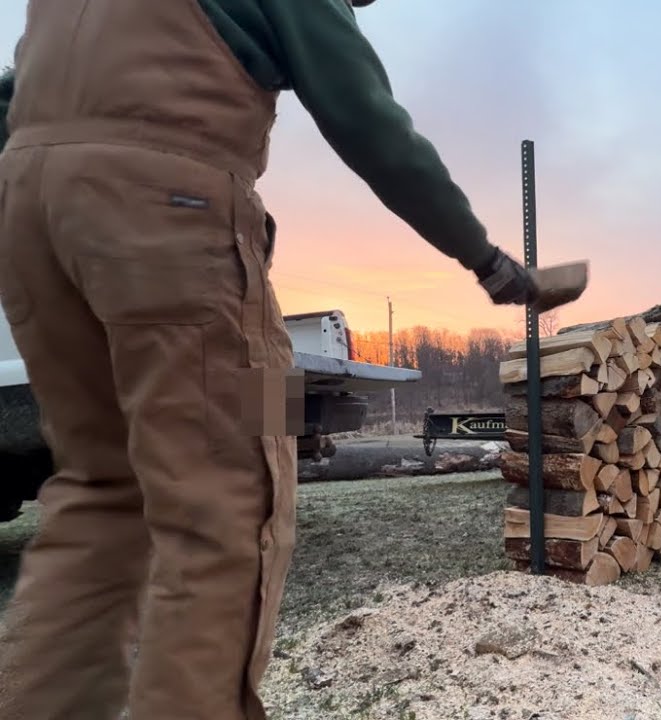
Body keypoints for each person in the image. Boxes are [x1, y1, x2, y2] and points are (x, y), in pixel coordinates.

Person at [0, 1, 537, 718]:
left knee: (101, 491)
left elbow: (16, 94)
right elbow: (371, 123)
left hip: (26, 220)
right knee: (233, 496)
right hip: (170, 213)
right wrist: (485, 257)